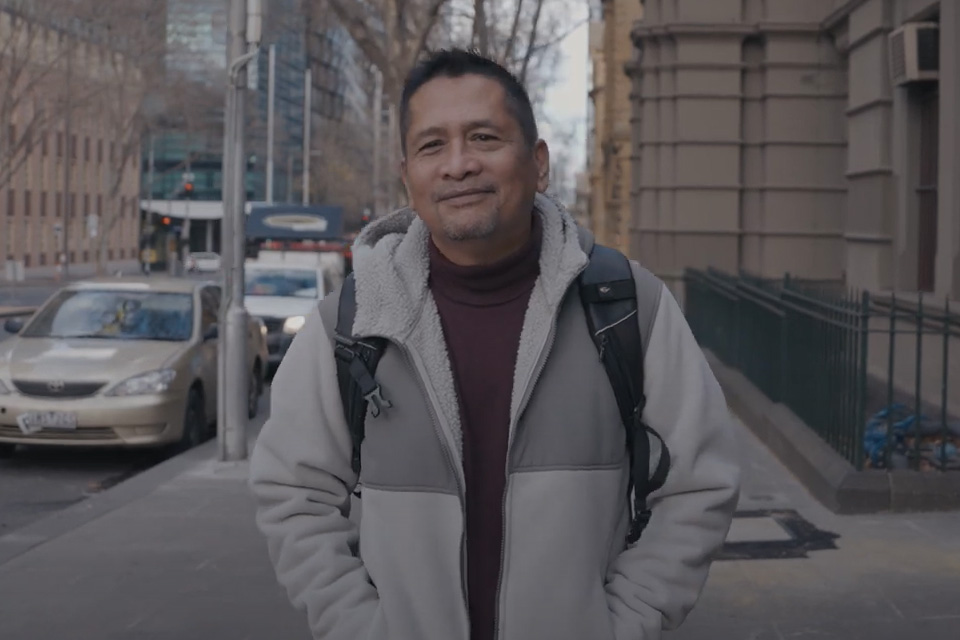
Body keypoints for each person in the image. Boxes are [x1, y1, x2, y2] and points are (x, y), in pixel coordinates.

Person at [250, 49, 741, 640]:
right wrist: (360, 626)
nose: (458, 165)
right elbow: (293, 495)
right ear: (407, 174)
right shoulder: (349, 325)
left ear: (538, 164)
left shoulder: (628, 306)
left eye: (484, 137)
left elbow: (699, 485)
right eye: (432, 146)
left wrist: (624, 623)